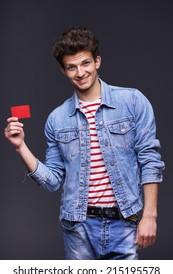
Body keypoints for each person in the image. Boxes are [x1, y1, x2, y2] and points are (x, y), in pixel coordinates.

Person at [4, 26, 165, 260]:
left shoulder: (133, 101)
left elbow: (150, 160)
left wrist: (150, 216)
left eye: (85, 63)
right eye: (72, 67)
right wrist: (20, 147)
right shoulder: (57, 119)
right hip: (77, 226)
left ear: (97, 61)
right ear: (63, 71)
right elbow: (52, 182)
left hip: (123, 221)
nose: (80, 72)